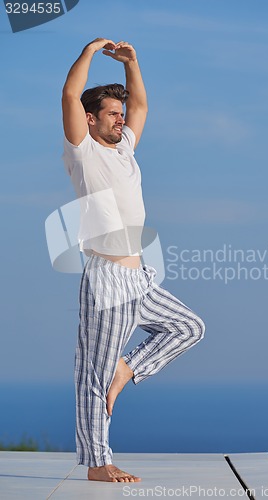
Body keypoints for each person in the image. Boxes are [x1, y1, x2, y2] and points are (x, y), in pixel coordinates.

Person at [62, 38, 205, 483]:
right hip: (105, 280)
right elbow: (69, 95)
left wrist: (133, 64)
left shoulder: (124, 147)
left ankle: (130, 367)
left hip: (138, 277)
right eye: (111, 113)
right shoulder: (83, 151)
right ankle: (97, 463)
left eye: (120, 115)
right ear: (90, 119)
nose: (121, 118)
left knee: (188, 326)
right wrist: (88, 52)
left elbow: (140, 106)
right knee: (94, 375)